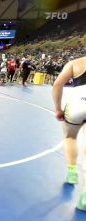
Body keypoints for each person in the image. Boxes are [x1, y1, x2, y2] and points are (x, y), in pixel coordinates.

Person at [52, 56, 86, 211]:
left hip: (78, 105)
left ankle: (72, 172)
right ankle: (85, 196)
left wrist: (58, 108)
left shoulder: (76, 63)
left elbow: (58, 84)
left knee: (70, 137)